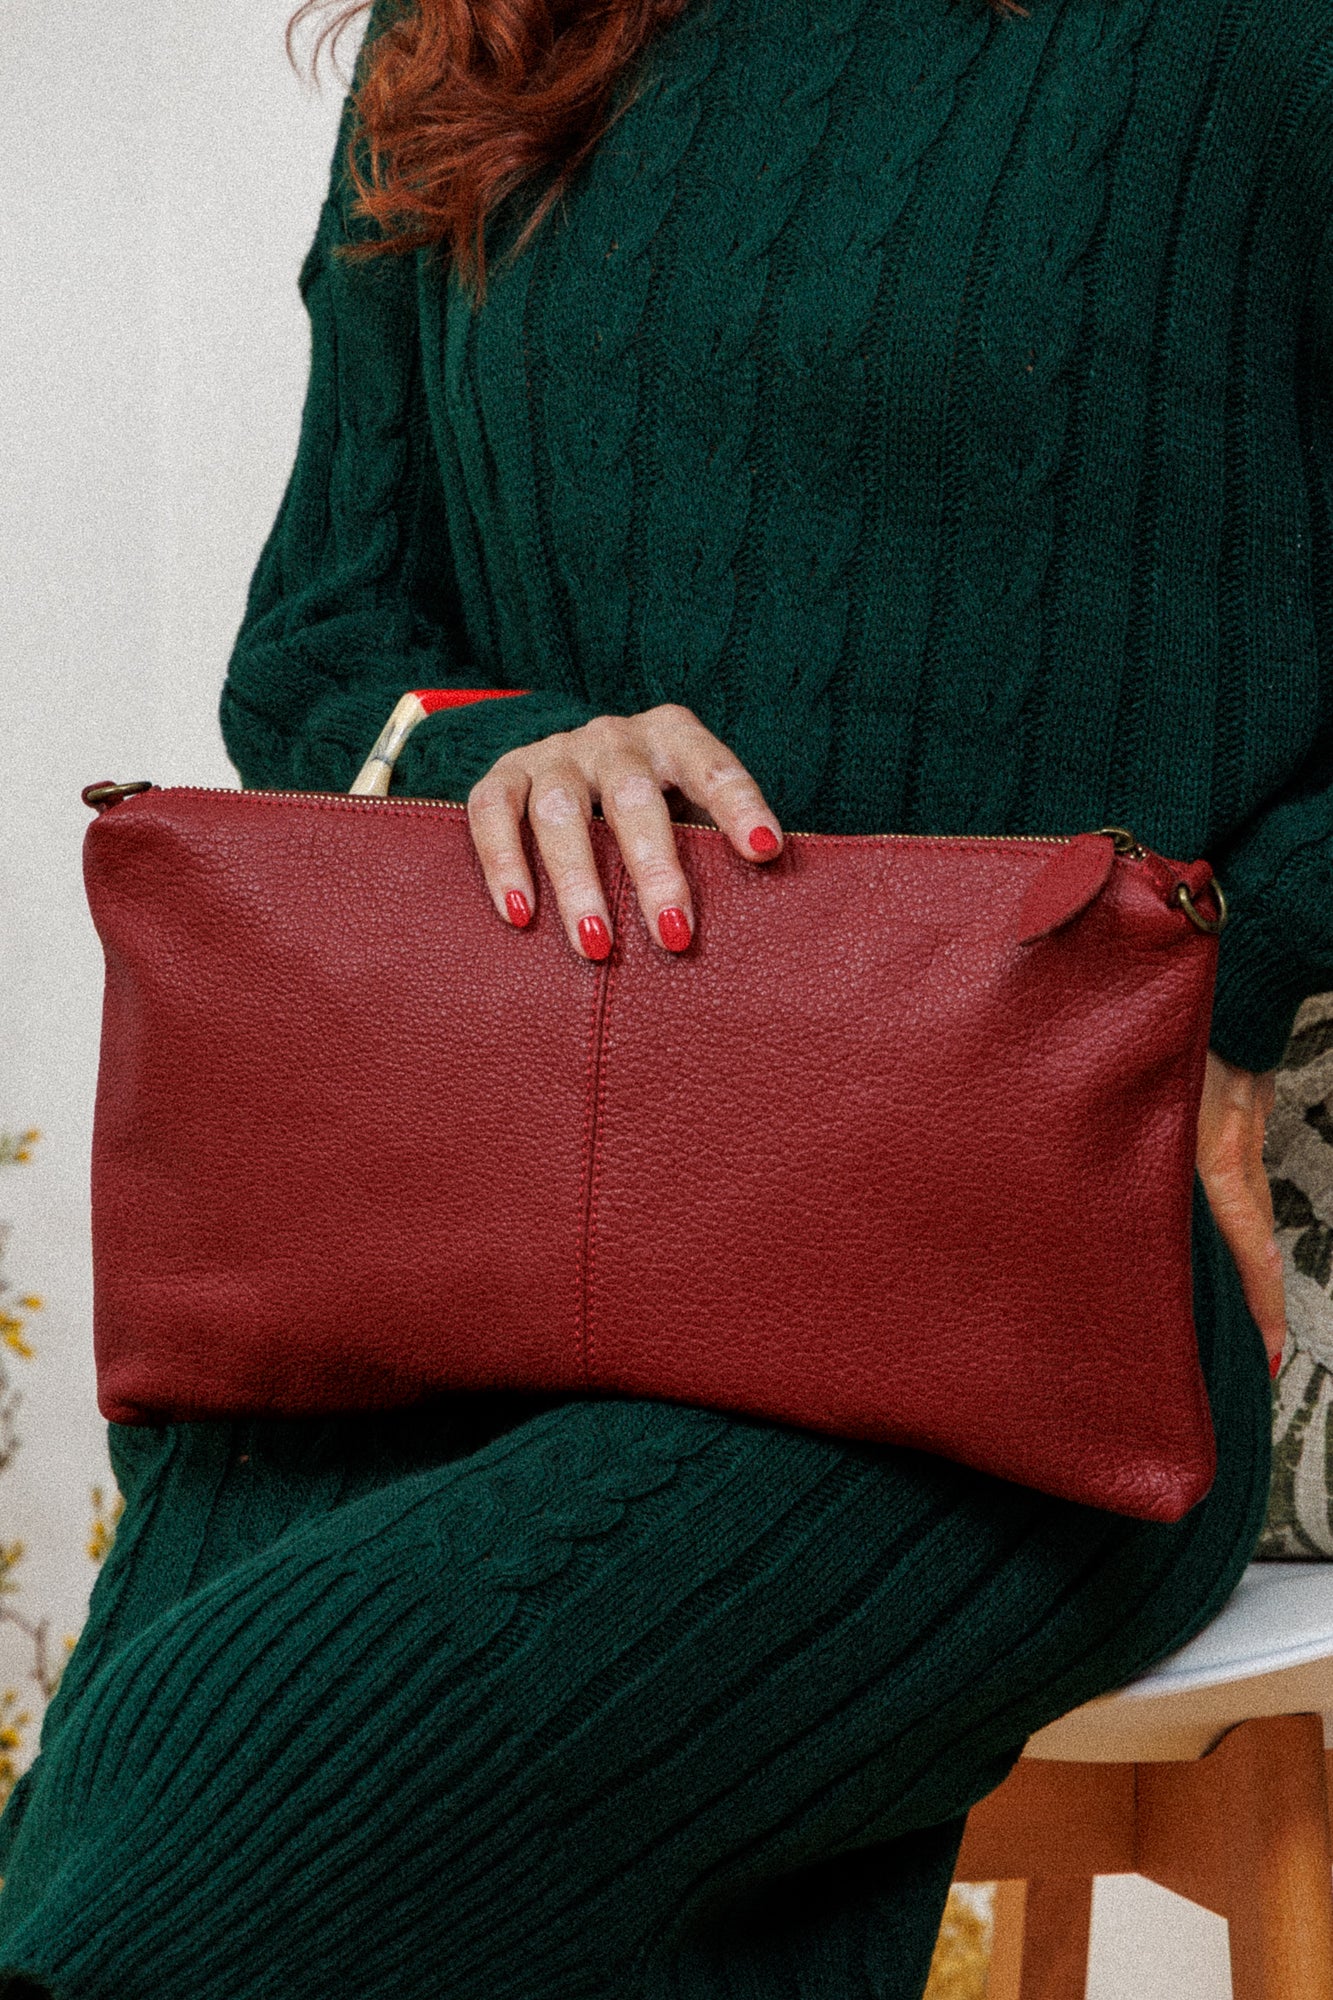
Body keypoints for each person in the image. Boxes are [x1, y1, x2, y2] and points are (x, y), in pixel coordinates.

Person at [0, 0, 1324, 1987]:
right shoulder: (477, 32)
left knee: (221, 1834)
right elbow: (320, 641)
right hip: (461, 1248)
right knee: (162, 1796)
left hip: (1013, 1298)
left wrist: (1252, 998)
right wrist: (492, 747)